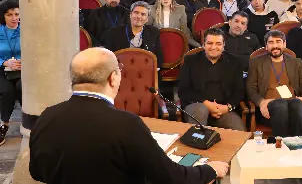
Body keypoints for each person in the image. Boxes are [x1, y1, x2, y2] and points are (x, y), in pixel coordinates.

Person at [29, 48, 228, 183]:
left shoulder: (47, 116)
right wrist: (210, 170)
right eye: (119, 70)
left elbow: (37, 172)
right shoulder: (126, 124)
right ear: (113, 78)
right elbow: (171, 178)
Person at [246, 30, 302, 138]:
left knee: (297, 104)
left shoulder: (296, 62)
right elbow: (250, 88)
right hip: (269, 108)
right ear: (266, 46)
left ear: (284, 44)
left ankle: (298, 142)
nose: (275, 46)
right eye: (271, 42)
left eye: (278, 41)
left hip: (293, 105)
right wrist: (261, 102)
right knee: (280, 104)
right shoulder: (256, 63)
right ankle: (280, 142)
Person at [178, 28, 245, 131]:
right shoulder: (190, 61)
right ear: (203, 44)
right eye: (210, 43)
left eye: (218, 44)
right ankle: (198, 140)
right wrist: (206, 104)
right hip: (196, 106)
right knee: (200, 111)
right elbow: (184, 90)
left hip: (223, 110)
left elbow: (239, 91)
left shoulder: (235, 62)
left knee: (237, 128)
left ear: (224, 45)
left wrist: (227, 107)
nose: (213, 47)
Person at [0, 1, 21, 145]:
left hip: (23, 70)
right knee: (7, 91)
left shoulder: (26, 30)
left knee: (21, 87)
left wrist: (24, 62)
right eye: (9, 15)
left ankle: (31, 122)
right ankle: (4, 124)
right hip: (3, 70)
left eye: (17, 14)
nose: (14, 18)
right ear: (3, 16)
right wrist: (5, 63)